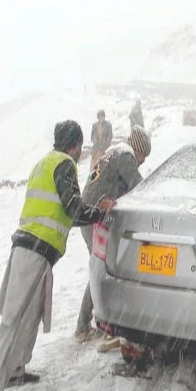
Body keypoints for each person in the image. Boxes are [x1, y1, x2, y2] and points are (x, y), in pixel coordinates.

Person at [0, 121, 115, 391]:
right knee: (12, 323)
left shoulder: (43, 163)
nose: (79, 153)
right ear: (76, 145)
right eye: (79, 148)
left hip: (31, 250)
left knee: (29, 317)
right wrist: (100, 212)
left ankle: (15, 370)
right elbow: (73, 209)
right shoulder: (64, 164)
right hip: (33, 252)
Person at [74, 125, 152, 345]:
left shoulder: (114, 152)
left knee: (100, 267)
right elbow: (139, 187)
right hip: (96, 217)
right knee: (100, 268)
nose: (143, 160)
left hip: (88, 214)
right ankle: (85, 326)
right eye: (143, 155)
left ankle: (93, 323)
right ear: (137, 149)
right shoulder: (125, 155)